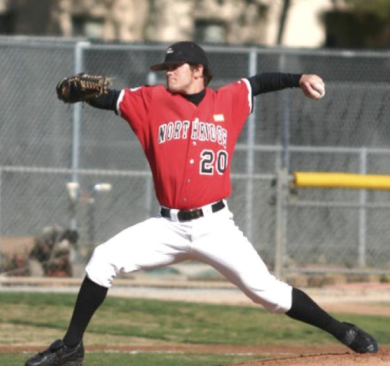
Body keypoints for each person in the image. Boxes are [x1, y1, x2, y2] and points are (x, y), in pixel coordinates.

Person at [25, 41, 378, 366]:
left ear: (198, 71)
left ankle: (342, 330)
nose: (168, 72)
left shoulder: (227, 100)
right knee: (104, 258)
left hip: (215, 226)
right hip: (168, 226)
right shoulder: (150, 100)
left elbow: (259, 82)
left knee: (269, 294)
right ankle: (71, 347)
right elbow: (110, 98)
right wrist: (83, 95)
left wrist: (300, 77)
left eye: (175, 66)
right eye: (166, 67)